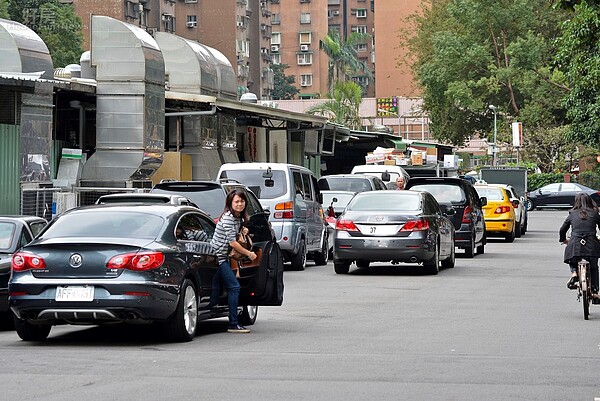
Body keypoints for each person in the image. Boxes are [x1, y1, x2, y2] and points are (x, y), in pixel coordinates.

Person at [210, 189, 257, 333]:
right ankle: (233, 323)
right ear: (230, 203)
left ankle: (210, 311)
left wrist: (243, 232)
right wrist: (249, 254)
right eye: (236, 201)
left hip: (223, 257)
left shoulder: (238, 218)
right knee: (234, 287)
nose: (240, 204)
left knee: (216, 289)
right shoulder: (229, 218)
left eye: (242, 201)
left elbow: (234, 239)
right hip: (218, 257)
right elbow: (232, 243)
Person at [559, 193, 600, 303]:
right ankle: (595, 292)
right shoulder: (595, 213)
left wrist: (564, 240)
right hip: (592, 243)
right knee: (594, 267)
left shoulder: (572, 213)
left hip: (575, 242)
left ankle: (574, 274)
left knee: (571, 255)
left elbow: (562, 230)